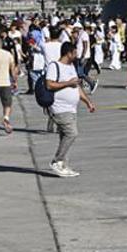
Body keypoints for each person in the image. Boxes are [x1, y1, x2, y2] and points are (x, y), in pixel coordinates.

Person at [45, 41, 96, 177]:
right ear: (68, 53)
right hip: (59, 107)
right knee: (72, 133)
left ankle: (63, 165)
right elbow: (49, 85)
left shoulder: (71, 67)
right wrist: (68, 83)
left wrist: (87, 102)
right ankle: (57, 161)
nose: (77, 55)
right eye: (75, 53)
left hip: (71, 108)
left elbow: (77, 87)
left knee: (64, 136)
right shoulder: (54, 66)